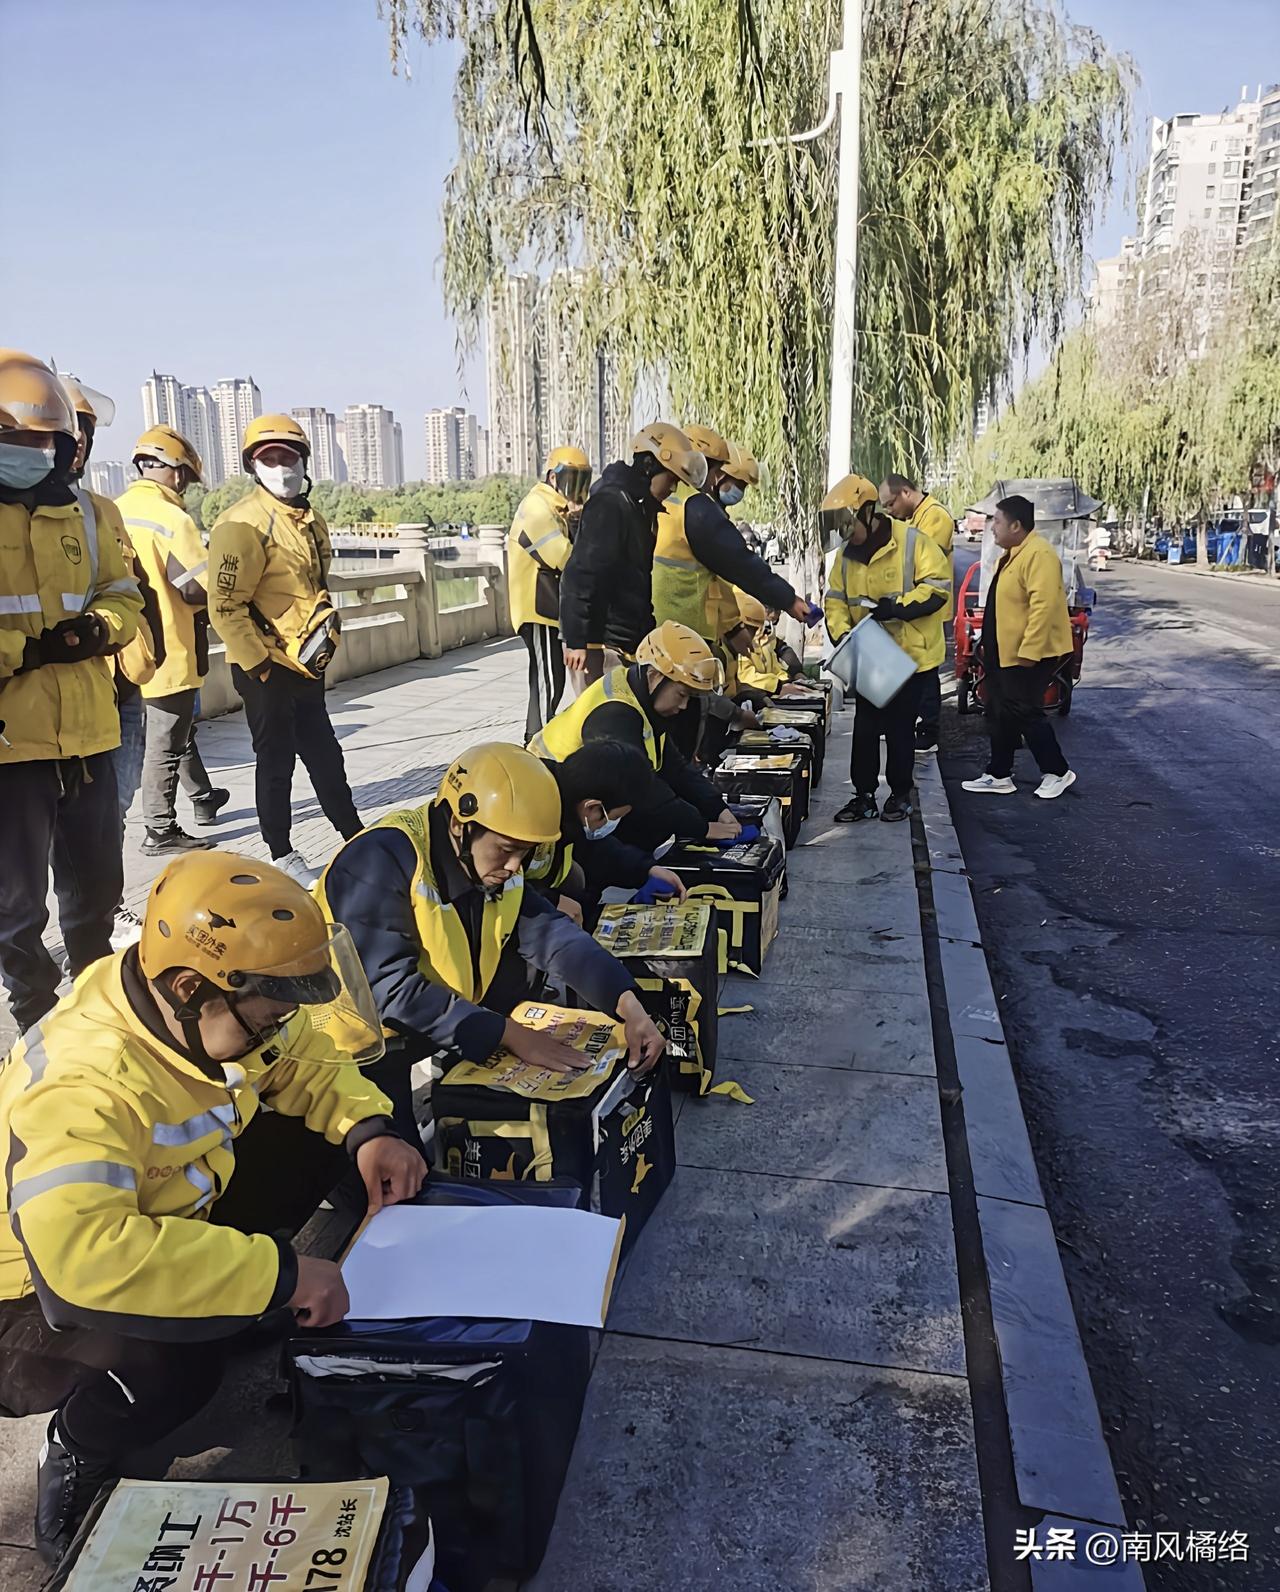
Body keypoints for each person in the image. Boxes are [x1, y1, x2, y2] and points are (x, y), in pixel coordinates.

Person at [0, 848, 425, 1565]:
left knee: (320, 1139)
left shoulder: (189, 1006)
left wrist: (367, 1130)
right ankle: (79, 1446)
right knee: (177, 1366)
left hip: (160, 1217)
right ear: (194, 987)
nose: (273, 1030)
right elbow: (82, 1265)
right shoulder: (80, 1084)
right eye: (263, 1017)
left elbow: (303, 1060)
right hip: (30, 1295)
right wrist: (284, 1275)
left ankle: (233, 1301)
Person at [316, 743, 667, 1139]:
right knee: (397, 1179)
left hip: (426, 1019)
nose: (515, 867)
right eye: (506, 850)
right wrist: (510, 1035)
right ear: (460, 826)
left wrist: (628, 1004)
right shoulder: (378, 860)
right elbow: (390, 991)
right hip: (348, 1054)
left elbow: (553, 934)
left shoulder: (487, 862)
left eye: (525, 853)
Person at [0, 352, 142, 1034]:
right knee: (15, 907)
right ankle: (34, 1019)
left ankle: (95, 1009)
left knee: (96, 893)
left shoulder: (88, 514)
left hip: (89, 733)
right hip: (11, 745)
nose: (31, 452)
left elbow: (125, 593)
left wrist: (98, 628)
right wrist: (26, 650)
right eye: (14, 439)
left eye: (42, 440)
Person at [209, 414, 361, 885]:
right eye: (268, 458)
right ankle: (280, 851)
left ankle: (353, 835)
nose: (280, 466)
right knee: (276, 762)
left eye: (288, 456)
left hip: (305, 662)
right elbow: (224, 604)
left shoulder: (308, 518)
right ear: (254, 465)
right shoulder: (241, 524)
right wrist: (260, 666)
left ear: (303, 462)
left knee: (324, 754)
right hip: (266, 665)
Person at [62, 377, 166, 948]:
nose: (76, 441)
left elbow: (125, 591)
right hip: (40, 711)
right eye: (66, 428)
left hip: (114, 695)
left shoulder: (103, 511)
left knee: (106, 825)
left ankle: (103, 919)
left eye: (86, 430)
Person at [531, 620, 741, 856]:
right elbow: (643, 789)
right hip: (551, 801)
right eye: (681, 694)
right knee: (650, 822)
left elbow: (676, 768)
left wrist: (717, 808)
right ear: (654, 675)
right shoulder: (616, 714)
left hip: (585, 802)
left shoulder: (643, 701)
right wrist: (703, 828)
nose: (683, 706)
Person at [119, 424, 229, 855]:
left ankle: (203, 800)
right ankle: (160, 829)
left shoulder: (113, 509)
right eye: (183, 475)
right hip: (170, 651)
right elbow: (195, 588)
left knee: (171, 735)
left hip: (126, 652)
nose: (183, 484)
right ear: (175, 471)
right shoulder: (172, 519)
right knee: (165, 743)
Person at [822, 473, 950, 823]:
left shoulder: (912, 541)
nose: (842, 529)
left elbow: (938, 588)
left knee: (899, 729)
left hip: (909, 655)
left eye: (845, 520)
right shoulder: (846, 556)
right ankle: (863, 795)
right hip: (868, 655)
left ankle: (899, 794)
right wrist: (841, 633)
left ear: (866, 513)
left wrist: (899, 606)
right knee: (864, 729)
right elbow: (834, 599)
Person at [559, 423, 706, 690]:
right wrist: (576, 640)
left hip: (627, 641)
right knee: (604, 722)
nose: (673, 489)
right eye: (671, 479)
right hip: (600, 644)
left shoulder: (641, 510)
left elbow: (638, 582)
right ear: (649, 465)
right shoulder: (612, 504)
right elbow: (581, 574)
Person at [653, 428, 820, 641]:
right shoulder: (697, 509)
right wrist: (788, 600)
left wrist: (733, 630)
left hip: (657, 625)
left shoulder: (667, 497)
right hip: (681, 631)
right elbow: (741, 564)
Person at [961, 495, 1076, 800]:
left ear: (1016, 524)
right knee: (1000, 711)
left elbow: (1044, 607)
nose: (992, 529)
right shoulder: (1013, 554)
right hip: (1006, 650)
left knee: (1024, 710)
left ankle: (1057, 771)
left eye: (997, 522)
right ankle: (999, 774)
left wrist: (1029, 652)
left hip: (1029, 653)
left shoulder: (1039, 555)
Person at [527, 739, 689, 923]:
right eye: (614, 818)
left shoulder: (567, 800)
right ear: (592, 807)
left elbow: (596, 850)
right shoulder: (529, 814)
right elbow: (500, 880)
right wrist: (549, 901)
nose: (612, 825)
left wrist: (647, 869)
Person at [507, 445, 591, 738]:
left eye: (582, 481)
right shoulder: (537, 508)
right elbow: (566, 558)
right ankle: (535, 744)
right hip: (538, 607)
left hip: (551, 608)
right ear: (553, 477)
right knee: (547, 681)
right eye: (571, 480)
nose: (576, 489)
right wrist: (579, 524)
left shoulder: (556, 507)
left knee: (552, 680)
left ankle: (539, 740)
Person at [879, 473, 956, 754]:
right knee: (911, 669)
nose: (889, 511)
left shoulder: (936, 517)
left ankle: (928, 733)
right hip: (908, 608)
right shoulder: (914, 519)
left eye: (890, 504)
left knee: (925, 672)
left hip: (925, 607)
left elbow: (925, 562)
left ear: (906, 494)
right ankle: (907, 725)